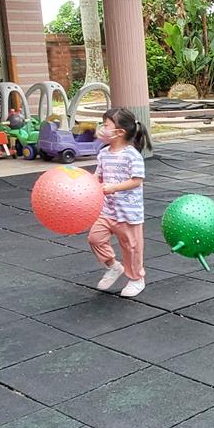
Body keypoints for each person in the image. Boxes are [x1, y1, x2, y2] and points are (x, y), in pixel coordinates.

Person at [88, 107, 152, 298]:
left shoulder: (132, 155)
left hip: (128, 213)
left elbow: (137, 180)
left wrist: (113, 188)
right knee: (95, 238)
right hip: (107, 210)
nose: (101, 129)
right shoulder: (103, 153)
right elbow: (98, 176)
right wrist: (84, 183)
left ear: (120, 132)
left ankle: (136, 279)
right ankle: (113, 266)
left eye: (105, 125)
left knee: (131, 248)